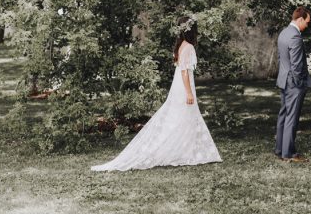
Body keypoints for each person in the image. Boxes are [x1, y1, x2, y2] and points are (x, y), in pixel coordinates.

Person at [91, 16, 222, 171]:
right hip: (184, 86)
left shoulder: (180, 46)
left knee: (181, 117)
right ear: (191, 30)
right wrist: (189, 93)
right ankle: (185, 151)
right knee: (185, 115)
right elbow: (185, 72)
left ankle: (185, 149)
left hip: (178, 86)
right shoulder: (189, 47)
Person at [274, 6, 311, 163]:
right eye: (307, 22)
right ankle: (288, 153)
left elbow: (281, 59)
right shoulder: (296, 37)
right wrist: (299, 84)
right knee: (292, 118)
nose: (307, 25)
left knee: (283, 115)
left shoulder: (283, 33)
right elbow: (297, 66)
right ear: (300, 19)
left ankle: (279, 150)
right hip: (294, 84)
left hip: (283, 80)